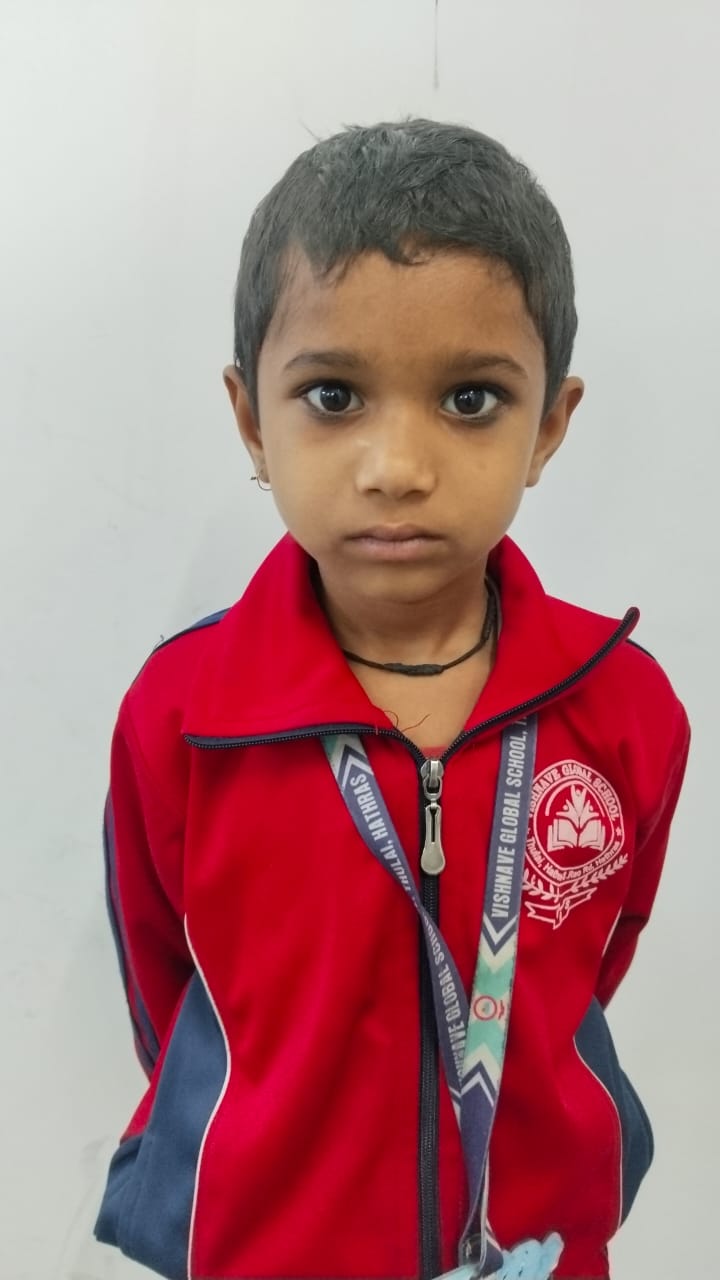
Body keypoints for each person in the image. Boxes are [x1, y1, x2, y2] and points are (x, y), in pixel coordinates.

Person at [94, 118, 690, 1280]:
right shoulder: (184, 712)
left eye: (470, 397)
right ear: (251, 419)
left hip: (534, 1250)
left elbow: (594, 963)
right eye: (333, 395)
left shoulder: (624, 705)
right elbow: (168, 992)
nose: (398, 466)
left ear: (549, 425)